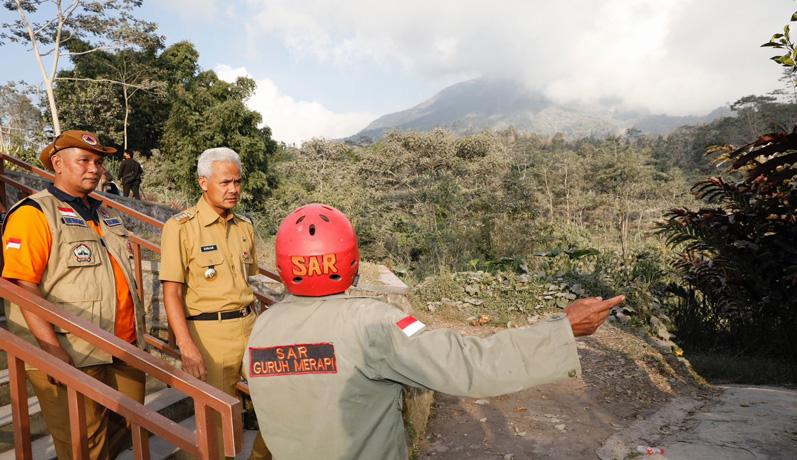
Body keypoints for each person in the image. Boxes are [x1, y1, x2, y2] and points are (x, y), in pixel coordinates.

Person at [244, 204, 626, 460]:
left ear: (284, 265)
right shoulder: (373, 322)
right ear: (351, 262)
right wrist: (562, 330)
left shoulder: (262, 329)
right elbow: (470, 365)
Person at [1, 130, 148, 459]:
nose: (94, 169)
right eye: (84, 160)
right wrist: (52, 352)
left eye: (98, 162)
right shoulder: (34, 214)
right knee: (84, 447)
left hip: (123, 348)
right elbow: (20, 285)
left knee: (127, 427)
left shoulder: (105, 212)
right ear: (58, 163)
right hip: (71, 352)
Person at [159, 147, 270, 460]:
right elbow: (171, 293)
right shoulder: (180, 228)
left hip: (250, 326)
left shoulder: (244, 226)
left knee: (277, 403)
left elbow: (250, 281)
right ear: (203, 183)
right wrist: (185, 344)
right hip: (209, 334)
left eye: (237, 182)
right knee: (220, 423)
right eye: (225, 183)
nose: (233, 189)